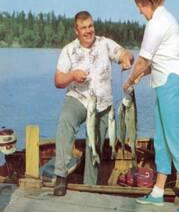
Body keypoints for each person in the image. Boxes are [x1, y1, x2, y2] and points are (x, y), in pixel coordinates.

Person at [125, 0, 179, 212]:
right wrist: (137, 77)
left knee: (175, 142)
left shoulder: (156, 23)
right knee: (162, 142)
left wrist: (128, 81)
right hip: (166, 83)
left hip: (172, 84)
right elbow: (153, 63)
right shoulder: (166, 19)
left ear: (147, 2)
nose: (138, 11)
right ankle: (157, 192)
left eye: (139, 5)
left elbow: (144, 61)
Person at [53, 11, 134, 196]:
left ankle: (89, 186)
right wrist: (72, 75)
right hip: (79, 99)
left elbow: (124, 53)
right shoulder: (68, 50)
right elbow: (58, 80)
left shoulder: (105, 43)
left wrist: (126, 59)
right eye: (83, 28)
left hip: (103, 104)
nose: (88, 31)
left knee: (94, 144)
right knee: (66, 121)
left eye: (90, 26)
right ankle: (60, 176)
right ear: (76, 31)